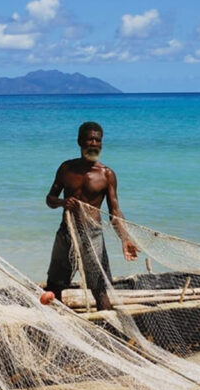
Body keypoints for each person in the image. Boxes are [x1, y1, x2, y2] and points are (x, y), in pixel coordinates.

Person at [44, 121, 138, 310]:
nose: (94, 144)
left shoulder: (107, 174)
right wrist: (63, 202)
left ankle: (108, 323)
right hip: (67, 233)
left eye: (98, 140)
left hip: (93, 236)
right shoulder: (66, 169)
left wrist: (125, 238)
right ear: (80, 142)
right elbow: (50, 199)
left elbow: (115, 211)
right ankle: (58, 319)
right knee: (54, 285)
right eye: (90, 139)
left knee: (99, 289)